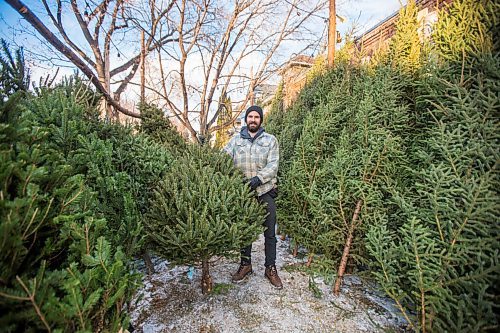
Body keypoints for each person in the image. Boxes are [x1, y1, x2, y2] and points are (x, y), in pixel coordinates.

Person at [223, 105, 283, 289]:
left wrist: (259, 179)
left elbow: (274, 165)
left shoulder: (270, 140)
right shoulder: (235, 141)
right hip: (244, 193)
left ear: (261, 120)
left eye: (257, 117)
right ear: (246, 119)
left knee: (269, 232)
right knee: (245, 231)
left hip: (264, 191)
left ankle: (270, 267)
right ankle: (245, 264)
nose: (253, 120)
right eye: (250, 116)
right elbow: (222, 159)